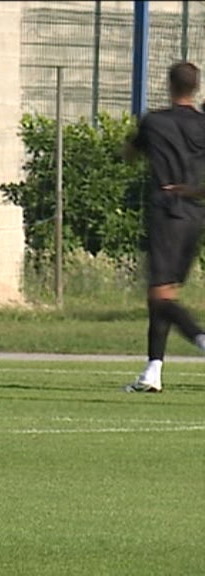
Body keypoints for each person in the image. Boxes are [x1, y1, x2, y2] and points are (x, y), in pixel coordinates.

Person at [124, 61, 205, 393]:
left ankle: (200, 339)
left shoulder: (154, 121)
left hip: (166, 211)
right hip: (196, 214)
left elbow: (129, 154)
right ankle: (153, 370)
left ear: (169, 86)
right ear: (195, 88)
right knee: (165, 293)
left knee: (159, 296)